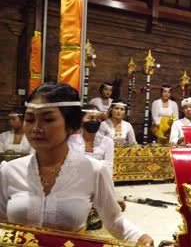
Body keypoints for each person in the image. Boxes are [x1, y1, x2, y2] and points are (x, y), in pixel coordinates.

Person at [0, 82, 153, 246]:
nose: (36, 128)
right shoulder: (9, 171)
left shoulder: (93, 171)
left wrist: (141, 237)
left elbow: (114, 220)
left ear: (70, 125)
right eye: (30, 119)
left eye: (48, 119)